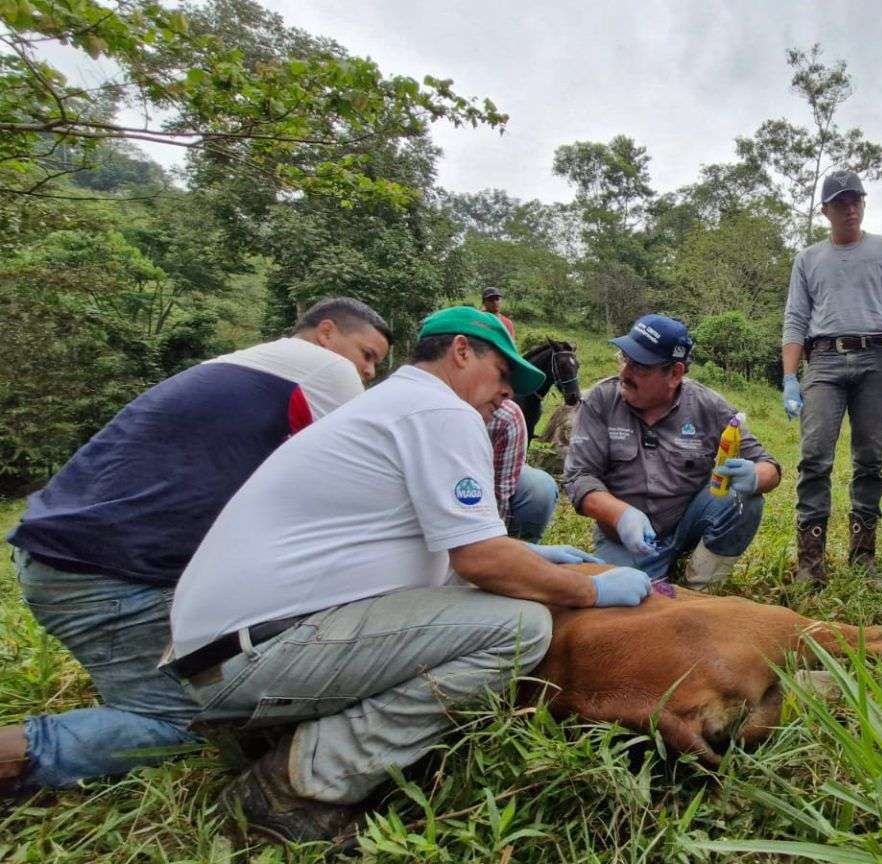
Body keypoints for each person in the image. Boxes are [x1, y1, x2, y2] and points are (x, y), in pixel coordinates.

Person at [164, 307, 652, 846]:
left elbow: (440, 547)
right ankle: (295, 789)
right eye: (503, 376)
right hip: (257, 652)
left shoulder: (397, 404)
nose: (507, 396)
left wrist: (527, 555)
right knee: (522, 627)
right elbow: (479, 561)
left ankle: (285, 732)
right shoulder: (439, 411)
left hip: (225, 648)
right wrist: (589, 588)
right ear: (461, 351)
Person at [1, 298, 391, 797]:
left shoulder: (243, 367)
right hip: (106, 574)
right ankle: (26, 752)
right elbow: (371, 471)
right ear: (327, 332)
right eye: (367, 354)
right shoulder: (323, 368)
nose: (368, 371)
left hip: (63, 553)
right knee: (189, 726)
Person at [564, 315, 781, 587]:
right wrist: (621, 515)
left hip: (685, 523)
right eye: (624, 359)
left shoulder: (708, 406)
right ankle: (648, 567)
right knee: (618, 599)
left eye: (640, 367)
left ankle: (701, 585)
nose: (624, 373)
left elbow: (768, 465)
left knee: (745, 499)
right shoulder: (601, 400)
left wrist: (757, 476)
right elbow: (579, 477)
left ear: (675, 374)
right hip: (628, 540)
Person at [781, 169, 882, 584]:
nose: (850, 208)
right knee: (815, 457)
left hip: (874, 357)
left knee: (869, 459)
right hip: (822, 360)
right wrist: (790, 377)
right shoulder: (808, 259)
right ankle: (810, 562)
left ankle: (863, 558)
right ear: (825, 210)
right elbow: (795, 319)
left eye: (856, 199)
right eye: (840, 202)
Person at [488, 397, 560, 542]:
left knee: (538, 487)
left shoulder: (505, 415)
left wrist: (494, 543)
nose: (508, 391)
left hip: (485, 481)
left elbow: (501, 491)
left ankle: (522, 544)